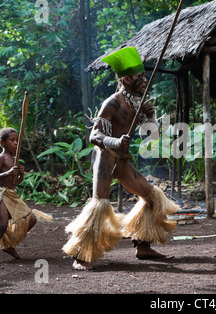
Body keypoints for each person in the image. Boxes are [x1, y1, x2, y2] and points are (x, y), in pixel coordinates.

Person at [62, 47, 178, 270]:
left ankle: (143, 246)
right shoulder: (112, 102)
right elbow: (94, 135)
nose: (144, 80)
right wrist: (114, 142)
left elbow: (151, 135)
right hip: (105, 158)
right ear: (126, 79)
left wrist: (151, 115)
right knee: (99, 205)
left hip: (122, 160)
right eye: (139, 77)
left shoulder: (139, 103)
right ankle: (81, 256)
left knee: (152, 197)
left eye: (144, 76)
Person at [0, 127, 52, 264]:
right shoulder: (1, 158)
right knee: (3, 225)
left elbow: (17, 182)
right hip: (2, 192)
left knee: (32, 219)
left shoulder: (15, 159)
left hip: (12, 194)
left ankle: (9, 245)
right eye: (12, 140)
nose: (16, 143)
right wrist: (8, 173)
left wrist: (21, 174)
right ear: (2, 142)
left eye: (17, 140)